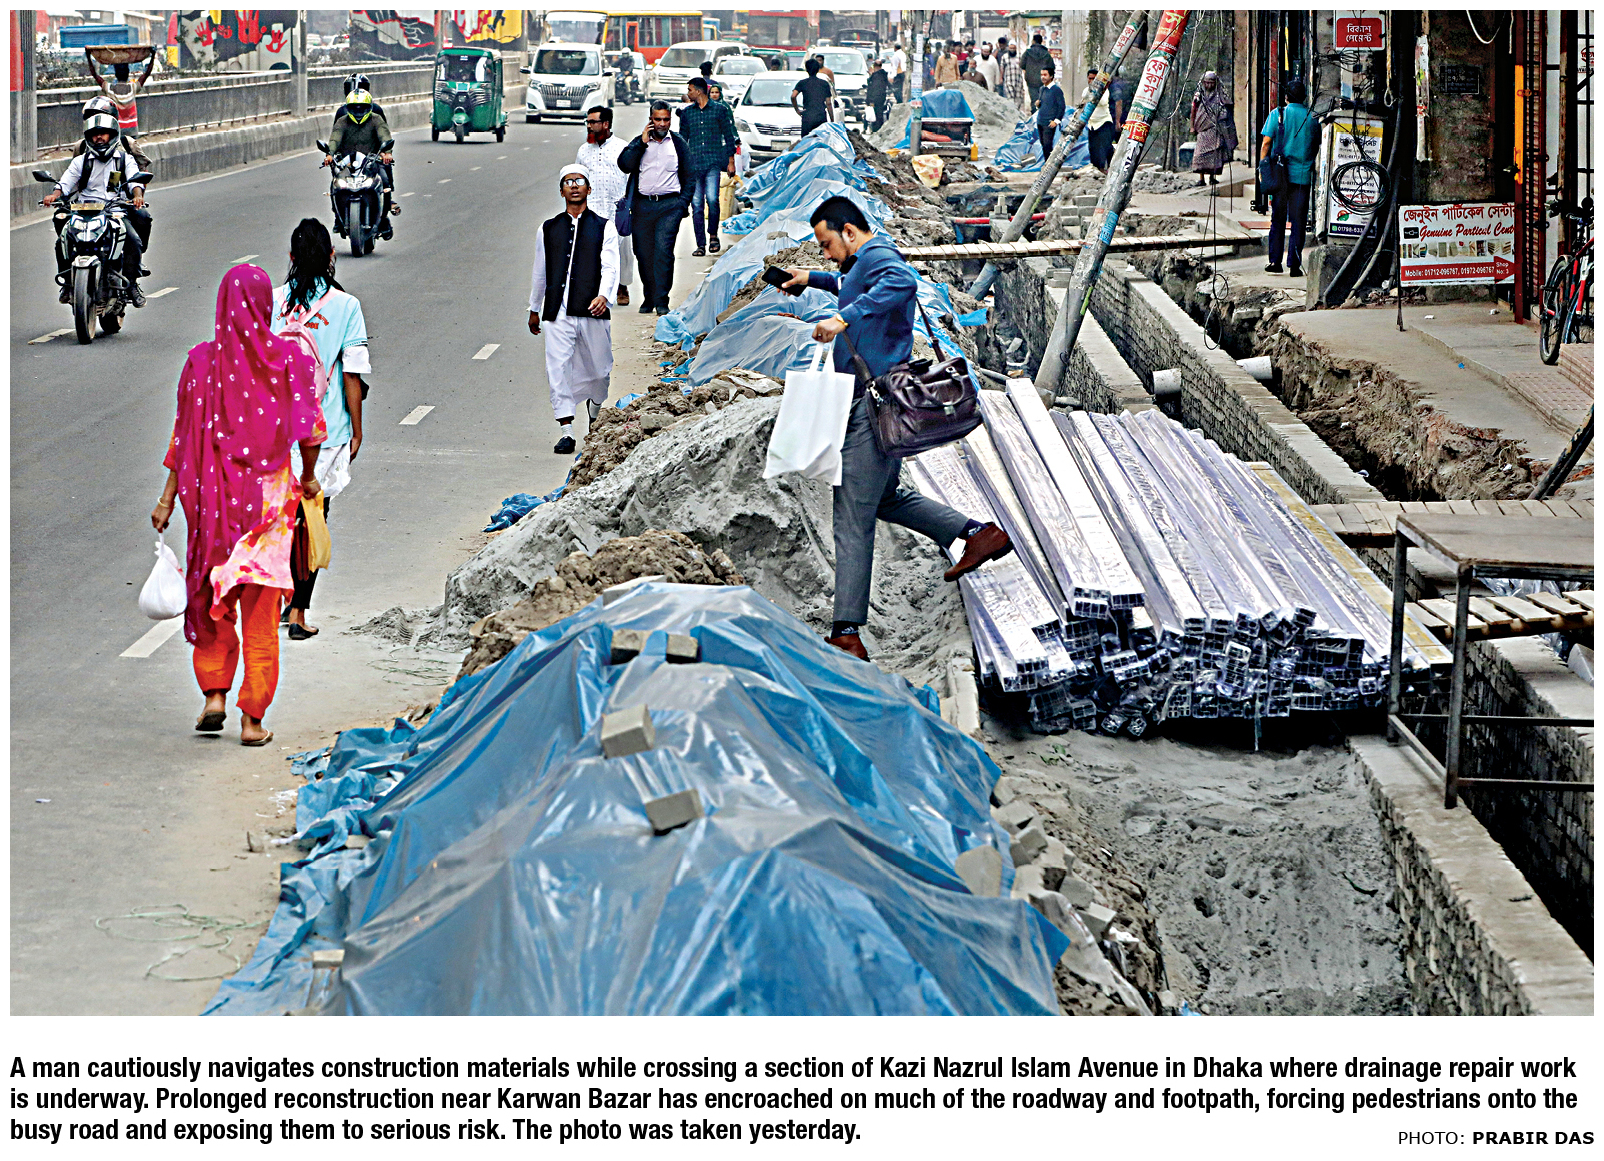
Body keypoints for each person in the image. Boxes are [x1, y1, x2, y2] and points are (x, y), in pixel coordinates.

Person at [779, 196, 1011, 662]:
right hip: (879, 404)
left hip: (872, 407)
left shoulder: (879, 255)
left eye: (826, 244)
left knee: (851, 515)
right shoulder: (862, 262)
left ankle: (846, 633)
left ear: (849, 232)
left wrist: (842, 317)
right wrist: (812, 279)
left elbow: (901, 281)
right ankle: (977, 533)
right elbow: (852, 283)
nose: (825, 253)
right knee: (885, 498)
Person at [152, 264, 326, 746]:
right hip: (268, 513)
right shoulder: (289, 359)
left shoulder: (200, 362)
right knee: (261, 615)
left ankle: (214, 695)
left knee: (214, 603)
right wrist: (309, 478)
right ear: (265, 305)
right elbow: (311, 431)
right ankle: (252, 721)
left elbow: (183, 436)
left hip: (214, 507)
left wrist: (166, 499)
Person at [270, 219, 369, 641]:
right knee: (313, 516)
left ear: (291, 257)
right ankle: (298, 611)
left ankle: (277, 599)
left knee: (280, 518)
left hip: (274, 430)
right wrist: (357, 429)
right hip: (324, 431)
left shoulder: (273, 301)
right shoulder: (346, 306)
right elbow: (352, 373)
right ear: (332, 256)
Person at [527, 165, 619, 454]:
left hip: (592, 310)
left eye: (579, 181)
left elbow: (610, 267)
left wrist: (604, 296)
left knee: (600, 370)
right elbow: (540, 271)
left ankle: (595, 409)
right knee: (558, 368)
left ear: (589, 189)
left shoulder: (604, 226)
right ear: (561, 191)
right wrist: (534, 307)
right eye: (568, 182)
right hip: (557, 311)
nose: (574, 186)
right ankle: (566, 430)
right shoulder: (548, 228)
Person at [43, 111, 148, 306]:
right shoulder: (80, 161)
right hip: (83, 210)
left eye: (103, 133)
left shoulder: (124, 159)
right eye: (94, 134)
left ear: (112, 135)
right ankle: (67, 282)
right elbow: (66, 182)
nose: (99, 137)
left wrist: (137, 195)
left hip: (114, 211)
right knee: (62, 240)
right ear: (88, 137)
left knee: (133, 240)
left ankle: (132, 284)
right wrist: (54, 195)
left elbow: (135, 180)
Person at [617, 102, 691, 316]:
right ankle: (649, 296)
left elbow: (690, 175)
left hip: (670, 207)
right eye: (658, 119)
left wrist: (682, 204)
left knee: (663, 251)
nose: (662, 124)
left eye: (666, 119)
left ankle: (661, 300)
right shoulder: (639, 142)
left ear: (670, 120)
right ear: (651, 120)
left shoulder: (678, 143)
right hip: (642, 206)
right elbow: (625, 165)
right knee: (643, 252)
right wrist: (641, 143)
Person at [1259, 78, 1319, 277]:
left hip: (1280, 176)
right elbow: (1316, 145)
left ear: (1286, 97)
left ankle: (1275, 262)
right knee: (1298, 221)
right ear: (1304, 98)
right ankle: (1294, 265)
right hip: (1302, 177)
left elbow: (1266, 143)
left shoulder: (1278, 114)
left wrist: (1262, 168)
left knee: (1277, 218)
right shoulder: (1312, 118)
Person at [578, 105, 634, 305]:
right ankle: (597, 290)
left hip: (617, 207)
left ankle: (622, 286)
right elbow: (579, 178)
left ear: (606, 124)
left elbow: (632, 178)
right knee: (592, 250)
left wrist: (629, 205)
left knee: (622, 250)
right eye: (587, 122)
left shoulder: (623, 148)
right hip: (592, 206)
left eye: (593, 122)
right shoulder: (583, 150)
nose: (589, 126)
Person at [677, 78, 738, 257]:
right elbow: (682, 140)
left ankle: (713, 236)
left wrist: (731, 161)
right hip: (694, 165)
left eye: (690, 90)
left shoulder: (719, 110)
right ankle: (700, 244)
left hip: (713, 162)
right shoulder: (687, 113)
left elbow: (728, 136)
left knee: (712, 199)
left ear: (699, 91)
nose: (688, 93)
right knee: (696, 205)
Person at [327, 89, 398, 234]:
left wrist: (387, 153)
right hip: (347, 164)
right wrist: (330, 154)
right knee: (335, 185)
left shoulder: (376, 119)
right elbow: (335, 138)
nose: (358, 112)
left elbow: (384, 136)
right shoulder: (342, 122)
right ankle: (338, 218)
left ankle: (384, 218)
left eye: (362, 108)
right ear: (348, 108)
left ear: (369, 107)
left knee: (385, 181)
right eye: (355, 108)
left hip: (372, 163)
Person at [83, 49, 154, 155]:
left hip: (116, 129)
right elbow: (147, 73)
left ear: (116, 74)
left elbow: (95, 75)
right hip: (132, 130)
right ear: (128, 73)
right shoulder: (133, 88)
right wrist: (153, 56)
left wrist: (89, 57)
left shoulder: (109, 89)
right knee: (133, 156)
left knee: (116, 156)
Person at [1190, 71, 1237, 186]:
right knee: (1200, 154)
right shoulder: (1199, 95)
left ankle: (1212, 177)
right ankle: (1201, 179)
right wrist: (1192, 126)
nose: (1209, 85)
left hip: (1216, 129)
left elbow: (1228, 108)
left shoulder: (1221, 95)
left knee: (1215, 154)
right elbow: (1193, 110)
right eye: (1206, 83)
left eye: (1211, 83)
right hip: (1203, 129)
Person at [1083, 70, 1119, 173]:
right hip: (1092, 124)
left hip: (1104, 122)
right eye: (1090, 78)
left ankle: (1108, 169)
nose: (1091, 81)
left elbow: (1100, 101)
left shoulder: (1104, 91)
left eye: (1094, 79)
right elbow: (1084, 105)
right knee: (1093, 149)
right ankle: (1096, 171)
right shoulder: (1086, 91)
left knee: (1104, 148)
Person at [791, 58, 834, 138]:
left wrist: (797, 110)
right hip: (820, 116)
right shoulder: (824, 84)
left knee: (806, 141)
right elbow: (828, 103)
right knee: (820, 141)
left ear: (807, 69)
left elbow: (793, 96)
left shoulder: (802, 83)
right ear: (818, 69)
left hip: (807, 116)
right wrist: (832, 120)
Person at [1034, 66, 1066, 157]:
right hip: (1040, 121)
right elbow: (1043, 104)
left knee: (1047, 145)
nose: (1042, 77)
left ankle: (1049, 164)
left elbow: (1061, 107)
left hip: (1049, 123)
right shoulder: (1042, 89)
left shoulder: (1056, 90)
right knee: (1043, 145)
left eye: (1045, 75)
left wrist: (1056, 121)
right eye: (1041, 75)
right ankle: (1046, 163)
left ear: (1051, 76)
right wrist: (1037, 105)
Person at [1021, 34, 1054, 108]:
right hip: (1044, 80)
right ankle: (1041, 113)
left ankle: (1034, 112)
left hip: (1031, 80)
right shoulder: (1046, 54)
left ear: (1033, 41)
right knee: (1043, 99)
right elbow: (1052, 67)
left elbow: (1022, 64)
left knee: (1034, 100)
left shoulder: (1027, 53)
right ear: (1041, 41)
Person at [1001, 41, 1028, 113]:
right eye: (1010, 48)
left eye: (1013, 48)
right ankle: (1011, 112)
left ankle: (1016, 112)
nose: (1012, 49)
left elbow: (1024, 67)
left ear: (1016, 48)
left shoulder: (1020, 56)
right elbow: (1002, 67)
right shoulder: (1004, 57)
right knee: (1010, 97)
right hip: (1008, 80)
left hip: (1018, 80)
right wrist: (1001, 78)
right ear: (1008, 48)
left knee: (1018, 98)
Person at [865, 57, 890, 131]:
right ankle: (878, 128)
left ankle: (876, 128)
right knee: (879, 113)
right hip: (881, 97)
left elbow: (874, 88)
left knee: (876, 114)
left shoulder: (876, 76)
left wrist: (871, 100)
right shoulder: (883, 75)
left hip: (875, 98)